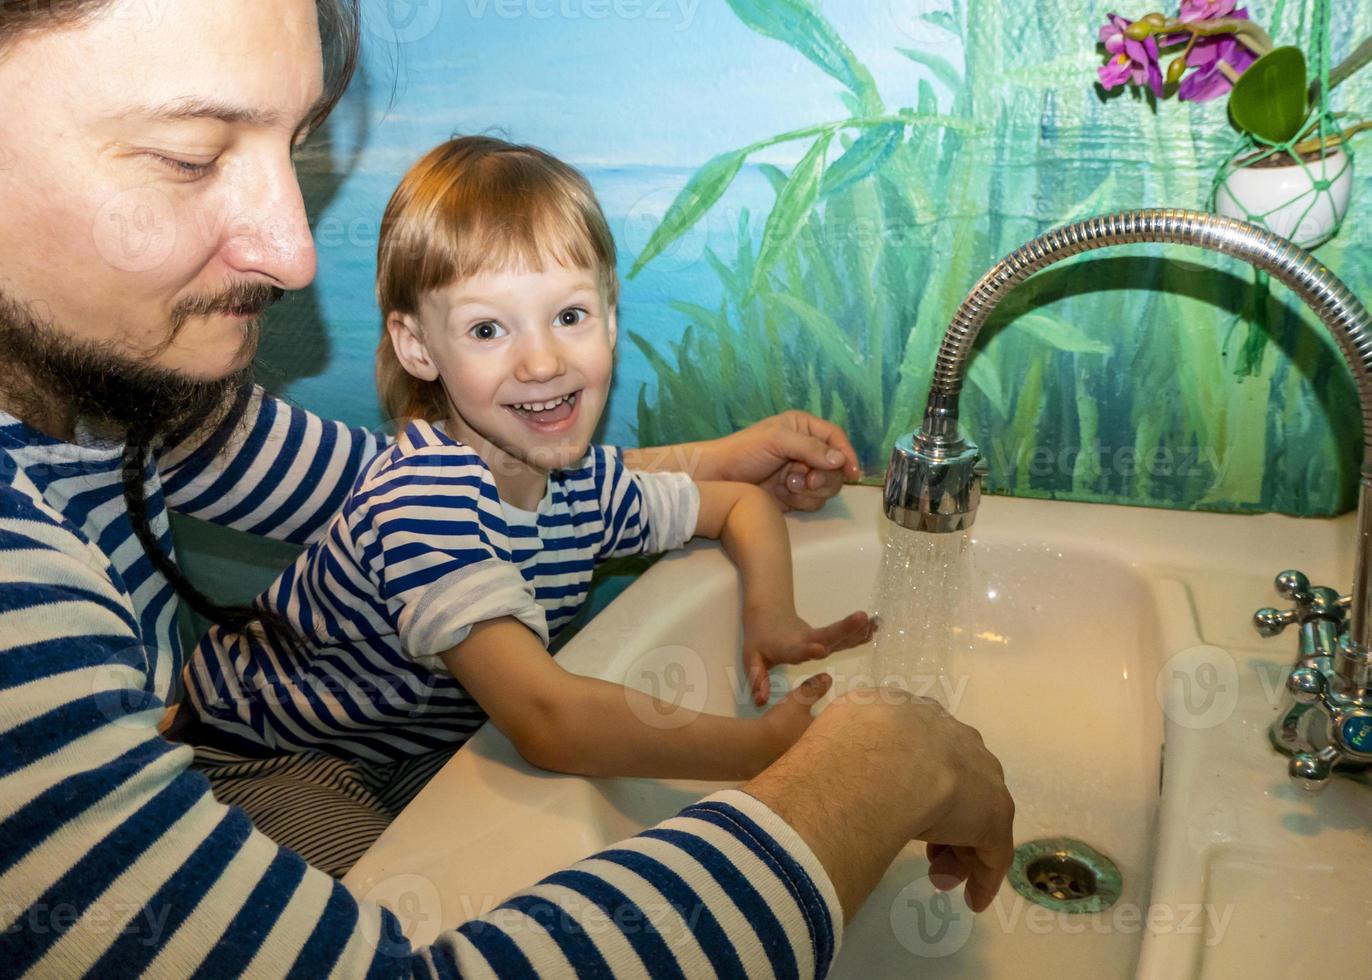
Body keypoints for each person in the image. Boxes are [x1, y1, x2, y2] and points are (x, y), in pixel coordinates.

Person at [0, 1, 1015, 975]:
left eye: (296, 144)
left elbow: (387, 482)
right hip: (273, 761)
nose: (293, 255)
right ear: (418, 344)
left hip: (393, 744)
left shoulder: (126, 400)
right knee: (409, 884)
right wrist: (858, 767)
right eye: (191, 153)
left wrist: (717, 465)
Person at [185, 136, 877, 784]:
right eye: (487, 329)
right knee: (375, 911)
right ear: (418, 347)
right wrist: (760, 750)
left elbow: (740, 503)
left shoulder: (581, 486)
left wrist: (771, 613)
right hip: (262, 752)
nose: (542, 362)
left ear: (610, 317)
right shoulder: (424, 503)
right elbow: (550, 722)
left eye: (570, 316)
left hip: (412, 754)